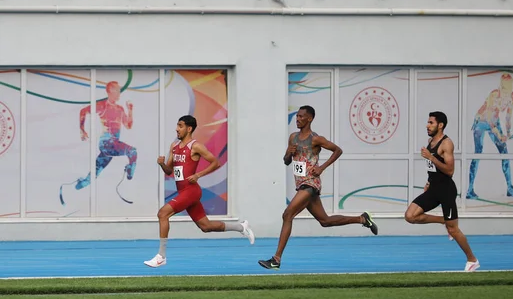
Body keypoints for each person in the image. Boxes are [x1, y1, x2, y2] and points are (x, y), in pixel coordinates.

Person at [258, 105, 378, 270]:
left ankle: (276, 259)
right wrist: (288, 153)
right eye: (297, 117)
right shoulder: (292, 137)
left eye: (301, 117)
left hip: (311, 183)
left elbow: (338, 150)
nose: (298, 119)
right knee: (325, 221)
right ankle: (362, 219)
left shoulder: (316, 139)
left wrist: (322, 168)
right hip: (301, 184)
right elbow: (286, 161)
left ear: (310, 119)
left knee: (287, 215)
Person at [143, 115, 254, 268]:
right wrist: (162, 164)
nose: (177, 129)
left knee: (163, 213)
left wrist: (198, 175)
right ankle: (241, 227)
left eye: (180, 126)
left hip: (191, 191)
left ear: (189, 129)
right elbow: (169, 171)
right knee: (205, 226)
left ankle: (161, 256)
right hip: (183, 192)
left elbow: (216, 162)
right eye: (177, 125)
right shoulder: (174, 146)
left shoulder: (195, 146)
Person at [404, 111, 480, 272]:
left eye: (431, 123)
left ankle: (472, 259)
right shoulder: (431, 141)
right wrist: (428, 182)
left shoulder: (447, 144)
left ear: (440, 125)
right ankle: (443, 221)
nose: (427, 125)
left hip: (446, 190)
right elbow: (432, 169)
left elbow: (450, 170)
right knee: (410, 216)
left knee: (454, 229)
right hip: (433, 188)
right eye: (427, 122)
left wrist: (431, 158)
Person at [60, 81, 137, 204]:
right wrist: (82, 129)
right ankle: (129, 175)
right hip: (107, 143)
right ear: (110, 91)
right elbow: (83, 111)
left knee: (92, 176)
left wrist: (130, 110)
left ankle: (77, 186)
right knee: (132, 151)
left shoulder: (120, 109)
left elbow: (128, 125)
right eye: (117, 90)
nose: (119, 93)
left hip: (111, 147)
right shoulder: (102, 106)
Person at [466, 73, 513, 199]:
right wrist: (499, 135)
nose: (510, 85)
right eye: (507, 83)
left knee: (504, 153)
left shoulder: (512, 96)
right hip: (481, 122)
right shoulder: (495, 94)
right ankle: (469, 190)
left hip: (494, 122)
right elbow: (489, 119)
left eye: (511, 83)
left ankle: (509, 188)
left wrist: (508, 132)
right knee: (477, 153)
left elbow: (507, 117)